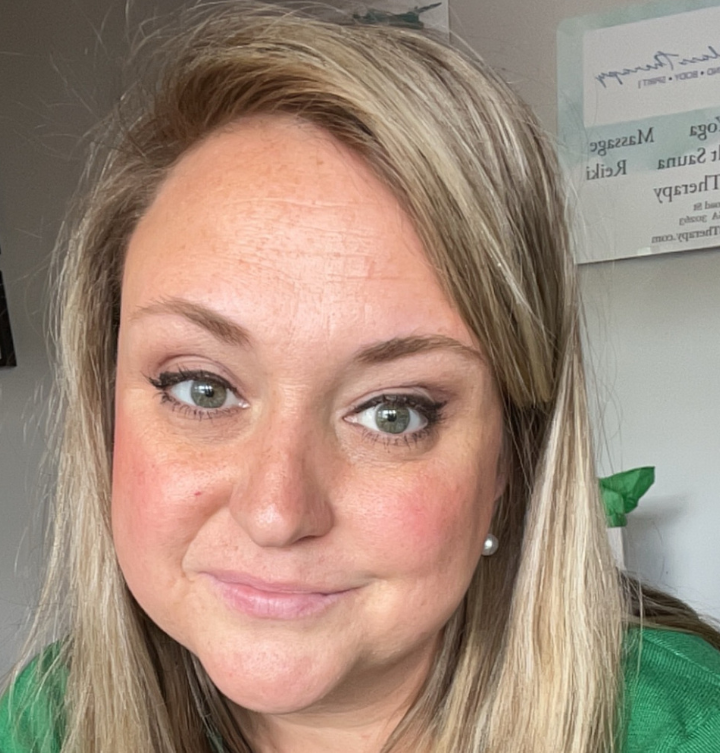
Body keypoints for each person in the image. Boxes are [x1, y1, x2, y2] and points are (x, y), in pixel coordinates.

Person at [1, 3, 719, 752]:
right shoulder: (49, 720)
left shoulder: (685, 730)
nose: (276, 513)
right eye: (201, 389)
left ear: (510, 453)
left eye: (393, 413)